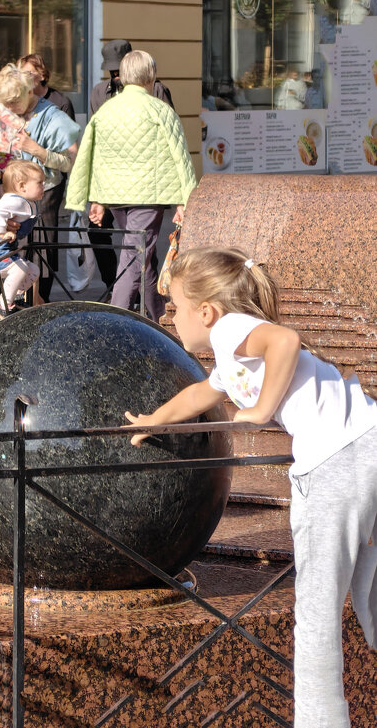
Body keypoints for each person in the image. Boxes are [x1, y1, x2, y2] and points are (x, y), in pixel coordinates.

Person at [125, 246, 377, 728]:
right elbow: (204, 392)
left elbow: (284, 339)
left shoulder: (230, 329)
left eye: (174, 307)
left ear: (207, 310)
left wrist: (261, 410)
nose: (168, 316)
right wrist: (156, 419)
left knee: (317, 614)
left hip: (334, 462)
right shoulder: (229, 351)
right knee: (369, 590)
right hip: (368, 438)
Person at [65, 49, 195, 321]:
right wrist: (187, 199)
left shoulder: (106, 111)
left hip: (116, 195)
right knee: (135, 260)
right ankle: (117, 324)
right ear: (152, 76)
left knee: (140, 258)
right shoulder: (160, 109)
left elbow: (92, 154)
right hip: (149, 195)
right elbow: (180, 156)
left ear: (122, 77)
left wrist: (93, 198)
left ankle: (159, 319)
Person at [87, 40, 176, 297]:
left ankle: (139, 306)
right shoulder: (98, 93)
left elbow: (169, 139)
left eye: (119, 70)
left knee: (139, 250)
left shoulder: (157, 90)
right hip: (112, 184)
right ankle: (119, 290)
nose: (115, 76)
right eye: (111, 71)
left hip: (146, 183)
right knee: (126, 246)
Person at [0, 63, 80, 303]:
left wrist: (36, 150)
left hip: (41, 195)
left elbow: (70, 162)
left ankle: (36, 309)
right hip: (5, 191)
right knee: (7, 253)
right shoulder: (1, 108)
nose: (9, 109)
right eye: (5, 104)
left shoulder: (52, 116)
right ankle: (7, 306)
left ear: (30, 92)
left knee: (39, 256)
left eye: (14, 103)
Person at [0, 160, 42, 312]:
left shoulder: (26, 201)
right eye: (39, 183)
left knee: (33, 270)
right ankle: (2, 305)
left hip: (8, 251)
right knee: (20, 270)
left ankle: (15, 296)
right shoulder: (16, 201)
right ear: (22, 186)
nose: (43, 187)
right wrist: (1, 232)